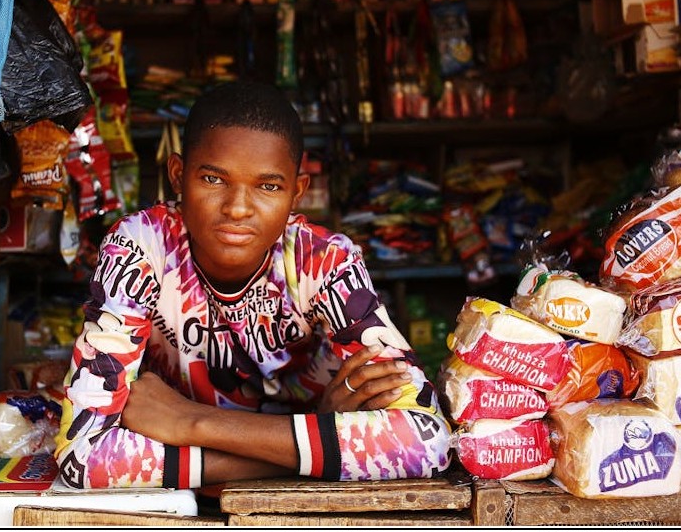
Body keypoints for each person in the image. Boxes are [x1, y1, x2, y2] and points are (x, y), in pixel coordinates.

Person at [54, 80, 451, 489]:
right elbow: (82, 457)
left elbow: (430, 442)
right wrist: (316, 439)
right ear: (177, 175)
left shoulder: (324, 260)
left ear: (297, 192)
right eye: (213, 179)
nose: (238, 209)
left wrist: (194, 422)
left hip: (194, 469)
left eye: (268, 186)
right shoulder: (140, 246)